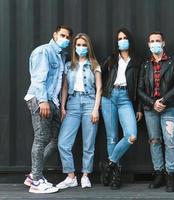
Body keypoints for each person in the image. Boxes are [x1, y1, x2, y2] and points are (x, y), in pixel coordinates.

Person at [24, 25, 73, 193]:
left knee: (55, 140)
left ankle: (34, 174)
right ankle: (36, 182)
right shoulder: (43, 51)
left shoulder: (62, 56)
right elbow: (38, 78)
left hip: (52, 102)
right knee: (41, 139)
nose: (65, 39)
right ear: (55, 34)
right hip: (40, 99)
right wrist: (43, 101)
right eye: (62, 35)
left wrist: (58, 105)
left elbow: (58, 83)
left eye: (68, 37)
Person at [138, 31, 174, 192]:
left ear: (163, 43)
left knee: (170, 141)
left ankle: (170, 174)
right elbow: (140, 89)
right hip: (150, 109)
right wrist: (152, 102)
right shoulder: (145, 64)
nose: (155, 43)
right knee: (154, 141)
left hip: (168, 107)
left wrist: (163, 101)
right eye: (152, 41)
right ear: (148, 44)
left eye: (158, 40)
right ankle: (159, 173)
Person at [55, 33, 102, 190]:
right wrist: (63, 107)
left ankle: (86, 176)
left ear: (88, 47)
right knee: (63, 142)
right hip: (73, 104)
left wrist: (96, 109)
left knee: (88, 144)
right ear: (74, 47)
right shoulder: (69, 65)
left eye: (84, 45)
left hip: (89, 103)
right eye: (78, 45)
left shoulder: (94, 64)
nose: (81, 48)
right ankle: (71, 176)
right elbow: (65, 88)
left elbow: (99, 88)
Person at [100, 28, 143, 190]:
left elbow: (139, 85)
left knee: (131, 136)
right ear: (116, 42)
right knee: (111, 137)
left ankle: (109, 164)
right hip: (109, 97)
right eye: (119, 38)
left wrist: (139, 107)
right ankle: (115, 175)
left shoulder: (136, 61)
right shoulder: (111, 59)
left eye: (125, 38)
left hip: (126, 98)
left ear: (129, 40)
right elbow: (98, 74)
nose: (122, 40)